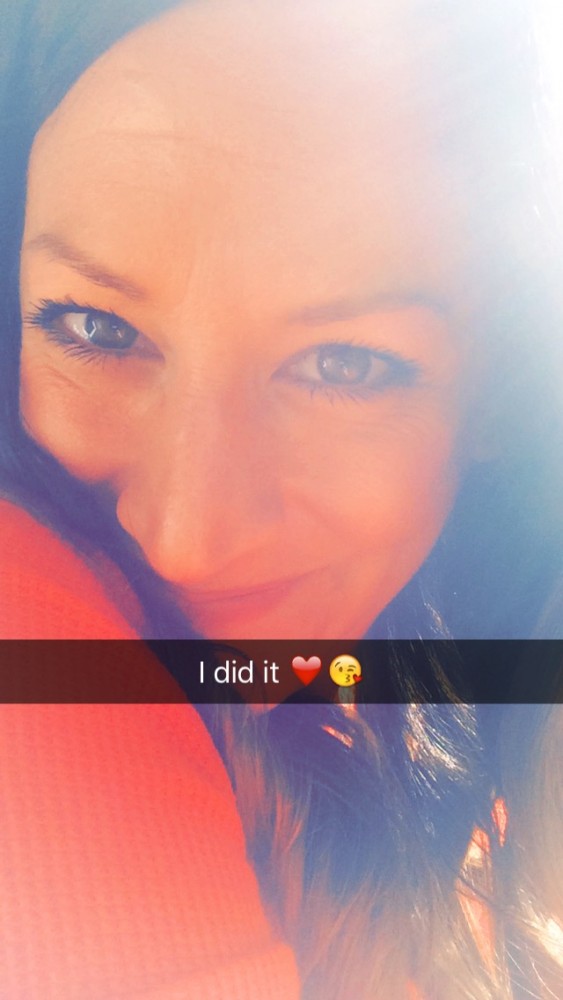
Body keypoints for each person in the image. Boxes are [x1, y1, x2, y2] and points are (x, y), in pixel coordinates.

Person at [0, 0, 562, 997]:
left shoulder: (429, 714)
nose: (186, 541)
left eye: (344, 363)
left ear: (495, 390)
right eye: (96, 327)